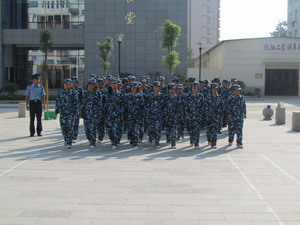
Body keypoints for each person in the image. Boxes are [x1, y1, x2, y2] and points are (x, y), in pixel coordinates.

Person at [55, 78, 79, 149]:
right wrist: (56, 111)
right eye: (65, 84)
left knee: (70, 128)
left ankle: (69, 142)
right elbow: (58, 102)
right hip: (63, 113)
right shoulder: (60, 93)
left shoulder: (74, 93)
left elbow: (76, 103)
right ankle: (66, 139)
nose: (67, 86)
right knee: (63, 128)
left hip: (70, 114)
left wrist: (76, 113)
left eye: (68, 84)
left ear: (70, 85)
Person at [81, 78, 103, 149]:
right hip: (86, 115)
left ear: (94, 85)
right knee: (87, 130)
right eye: (89, 84)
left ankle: (92, 142)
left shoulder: (98, 93)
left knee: (93, 129)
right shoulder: (85, 93)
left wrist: (98, 114)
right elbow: (83, 104)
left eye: (92, 84)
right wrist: (82, 113)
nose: (91, 86)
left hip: (94, 115)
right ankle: (90, 139)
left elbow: (100, 104)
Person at [105, 78, 125, 149]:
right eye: (112, 84)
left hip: (117, 115)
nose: (113, 85)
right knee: (109, 130)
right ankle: (113, 141)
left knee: (116, 129)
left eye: (115, 83)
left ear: (117, 84)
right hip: (109, 115)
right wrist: (105, 115)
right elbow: (105, 106)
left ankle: (115, 142)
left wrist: (122, 114)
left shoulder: (120, 94)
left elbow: (122, 105)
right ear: (110, 85)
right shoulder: (107, 94)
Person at [124, 82, 145, 148]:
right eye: (132, 88)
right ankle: (132, 140)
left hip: (137, 116)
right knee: (130, 130)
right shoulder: (127, 96)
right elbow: (125, 106)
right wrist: (124, 115)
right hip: (129, 116)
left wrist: (142, 115)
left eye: (135, 88)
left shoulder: (140, 96)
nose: (133, 89)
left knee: (136, 130)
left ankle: (135, 142)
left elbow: (142, 106)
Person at [186, 83, 206, 149]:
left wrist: (202, 115)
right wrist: (187, 115)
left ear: (197, 89)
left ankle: (196, 144)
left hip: (198, 116)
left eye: (195, 88)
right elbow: (186, 107)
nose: (194, 89)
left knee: (197, 131)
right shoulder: (189, 97)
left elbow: (203, 106)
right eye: (193, 88)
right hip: (191, 117)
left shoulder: (201, 96)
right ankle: (192, 141)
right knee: (191, 130)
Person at [145, 81, 165, 149]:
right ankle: (151, 139)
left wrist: (163, 115)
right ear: (153, 87)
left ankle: (157, 142)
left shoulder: (161, 96)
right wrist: (147, 114)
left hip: (158, 116)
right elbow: (146, 105)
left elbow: (163, 106)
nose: (156, 88)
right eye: (155, 86)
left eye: (158, 86)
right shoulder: (149, 96)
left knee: (157, 129)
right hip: (151, 116)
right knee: (151, 129)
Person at [227, 84, 246, 149]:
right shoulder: (230, 98)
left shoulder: (242, 97)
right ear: (233, 91)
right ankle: (230, 140)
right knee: (231, 130)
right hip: (232, 117)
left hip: (240, 117)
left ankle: (239, 143)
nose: (237, 91)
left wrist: (244, 113)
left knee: (239, 130)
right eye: (236, 90)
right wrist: (229, 116)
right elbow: (227, 107)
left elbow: (244, 106)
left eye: (239, 90)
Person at [205, 83, 224, 149]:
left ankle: (213, 143)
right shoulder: (208, 97)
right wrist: (206, 115)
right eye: (213, 89)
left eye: (216, 89)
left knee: (214, 131)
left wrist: (220, 115)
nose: (214, 90)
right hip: (209, 116)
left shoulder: (220, 97)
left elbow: (222, 106)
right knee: (209, 130)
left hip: (216, 117)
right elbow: (205, 107)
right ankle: (209, 140)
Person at [164, 83, 181, 149]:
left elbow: (179, 107)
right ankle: (168, 139)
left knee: (174, 130)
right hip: (167, 116)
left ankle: (173, 143)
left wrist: (179, 115)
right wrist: (165, 116)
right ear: (168, 90)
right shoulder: (165, 97)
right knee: (168, 129)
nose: (172, 90)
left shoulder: (177, 97)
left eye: (173, 89)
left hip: (175, 116)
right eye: (170, 89)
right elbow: (163, 106)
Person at [71, 77, 84, 143]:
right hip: (69, 109)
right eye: (72, 82)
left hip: (77, 109)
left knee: (76, 123)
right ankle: (69, 136)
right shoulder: (68, 89)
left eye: (75, 82)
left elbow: (82, 99)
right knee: (69, 123)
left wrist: (80, 107)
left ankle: (74, 137)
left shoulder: (80, 89)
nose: (74, 83)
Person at [96, 78, 106, 142]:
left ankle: (100, 137)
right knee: (97, 125)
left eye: (101, 84)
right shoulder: (95, 92)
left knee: (102, 125)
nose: (99, 85)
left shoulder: (105, 91)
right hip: (95, 111)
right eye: (98, 84)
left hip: (103, 111)